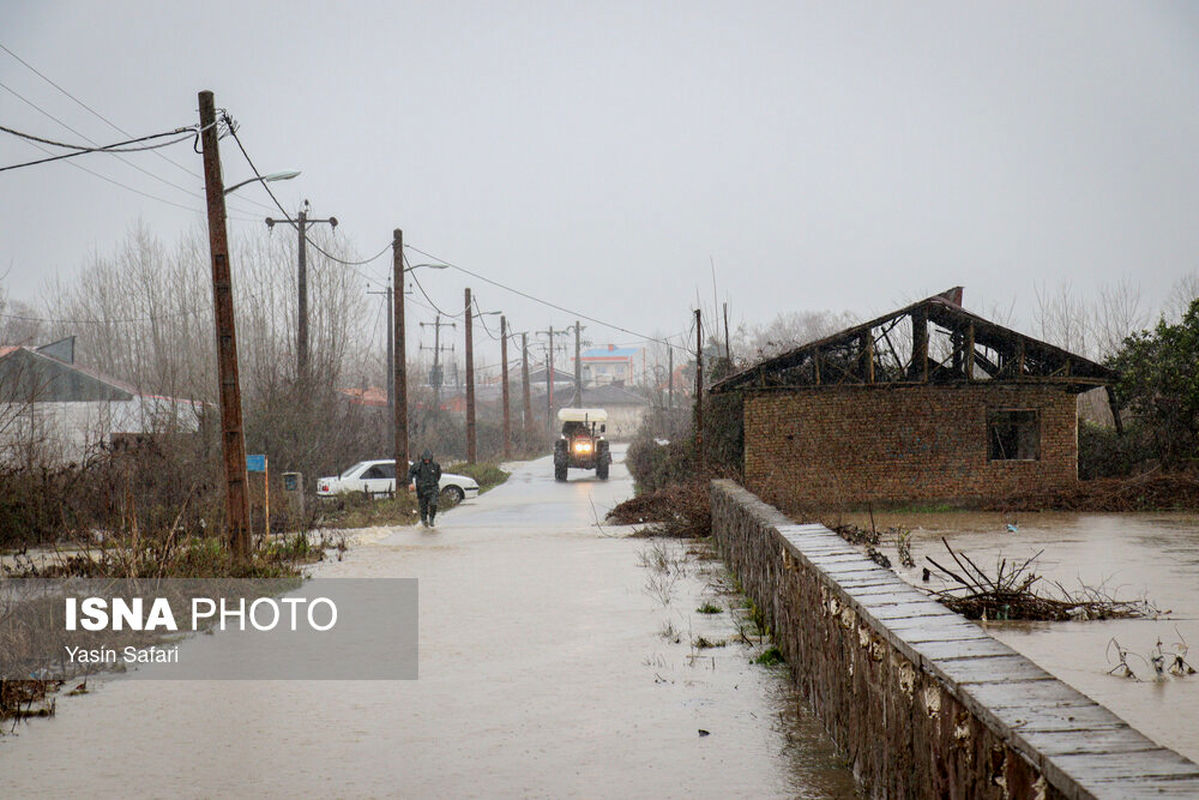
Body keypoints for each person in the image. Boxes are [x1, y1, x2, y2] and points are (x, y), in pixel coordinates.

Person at [407, 449, 442, 527]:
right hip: (422, 489)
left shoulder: (435, 465)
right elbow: (410, 474)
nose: (426, 461)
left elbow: (438, 475)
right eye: (425, 459)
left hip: (433, 488)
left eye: (428, 459)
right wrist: (410, 483)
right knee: (423, 507)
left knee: (433, 504)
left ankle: (432, 518)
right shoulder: (417, 465)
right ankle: (424, 522)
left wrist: (434, 483)